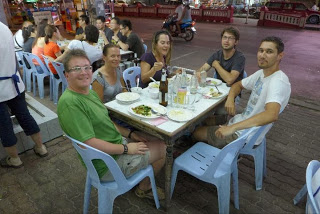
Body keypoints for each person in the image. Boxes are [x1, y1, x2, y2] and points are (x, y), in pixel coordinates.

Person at [57, 49, 166, 200]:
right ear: (66, 74)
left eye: (87, 67)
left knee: (151, 137)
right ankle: (144, 188)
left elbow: (106, 122)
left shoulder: (88, 93)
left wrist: (129, 134)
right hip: (108, 164)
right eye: (76, 69)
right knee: (164, 147)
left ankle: (140, 174)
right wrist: (127, 148)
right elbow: (89, 143)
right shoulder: (70, 103)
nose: (84, 72)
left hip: (115, 147)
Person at [192, 36, 291, 149]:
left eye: (269, 52)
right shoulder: (262, 73)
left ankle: (211, 153)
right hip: (240, 124)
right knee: (203, 120)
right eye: (261, 50)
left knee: (196, 132)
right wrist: (230, 99)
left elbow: (271, 115)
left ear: (280, 55)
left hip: (242, 136)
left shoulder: (278, 81)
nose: (262, 55)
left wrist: (232, 128)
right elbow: (237, 85)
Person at [0, 22, 48, 168]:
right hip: (14, 83)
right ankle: (40, 147)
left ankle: (15, 159)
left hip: (2, 88)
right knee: (25, 116)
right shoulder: (3, 27)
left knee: (4, 125)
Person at [197, 27, 245, 124]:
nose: (226, 41)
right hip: (217, 92)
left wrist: (216, 65)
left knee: (219, 112)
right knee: (198, 104)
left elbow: (230, 80)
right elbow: (201, 70)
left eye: (230, 38)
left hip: (232, 95)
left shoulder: (239, 57)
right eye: (224, 37)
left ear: (236, 42)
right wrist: (199, 73)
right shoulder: (217, 54)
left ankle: (217, 126)